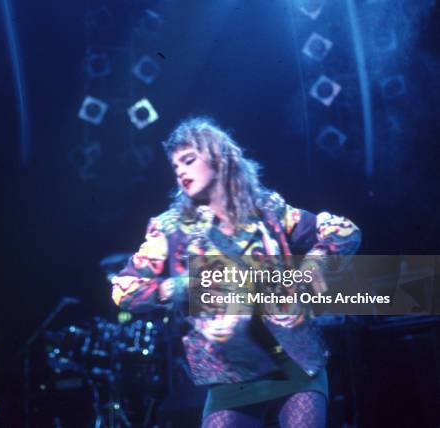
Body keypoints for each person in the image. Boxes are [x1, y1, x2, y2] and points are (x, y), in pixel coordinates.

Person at [111, 117, 361, 427]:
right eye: (176, 166)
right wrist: (181, 287)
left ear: (219, 158)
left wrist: (314, 263)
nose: (181, 171)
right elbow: (123, 289)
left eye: (189, 160)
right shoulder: (170, 228)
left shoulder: (269, 211)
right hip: (231, 377)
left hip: (295, 364)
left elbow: (345, 232)